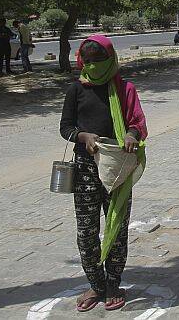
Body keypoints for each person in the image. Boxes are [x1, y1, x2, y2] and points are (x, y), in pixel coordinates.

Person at [59, 35, 148, 312]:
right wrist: (82, 135)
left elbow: (137, 122)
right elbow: (66, 127)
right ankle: (95, 284)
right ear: (81, 61)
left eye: (100, 61)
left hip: (118, 168)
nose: (94, 66)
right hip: (85, 167)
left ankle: (113, 283)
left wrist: (132, 135)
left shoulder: (125, 89)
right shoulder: (76, 90)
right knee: (86, 230)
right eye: (89, 61)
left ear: (111, 60)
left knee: (117, 226)